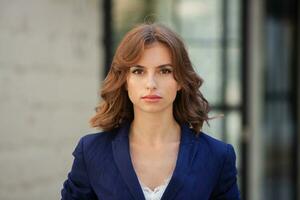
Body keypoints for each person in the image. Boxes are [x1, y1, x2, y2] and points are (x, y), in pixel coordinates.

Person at [61, 23, 240, 200]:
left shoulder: (217, 156)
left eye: (164, 71)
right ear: (125, 80)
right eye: (139, 71)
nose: (151, 84)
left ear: (180, 81)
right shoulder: (92, 152)